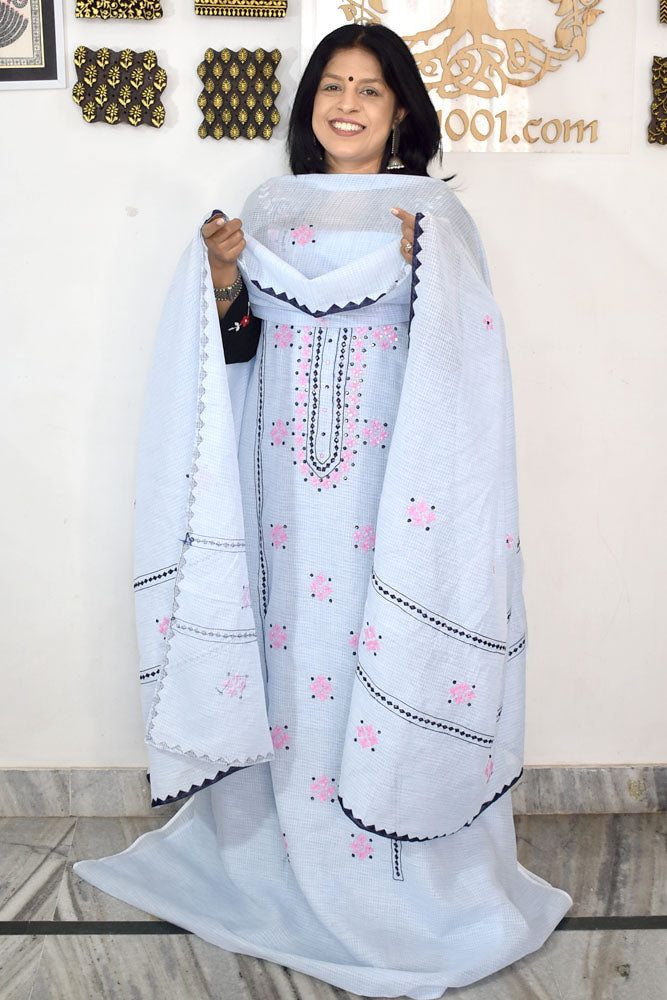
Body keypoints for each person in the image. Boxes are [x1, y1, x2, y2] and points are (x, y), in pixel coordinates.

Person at [74, 23, 572, 999]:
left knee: (370, 643)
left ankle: (395, 874)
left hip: (395, 488)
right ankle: (275, 847)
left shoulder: (432, 216)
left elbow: (465, 363)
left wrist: (428, 272)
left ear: (401, 111)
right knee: (290, 644)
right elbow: (239, 348)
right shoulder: (270, 210)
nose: (347, 104)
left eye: (370, 89)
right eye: (333, 85)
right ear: (311, 104)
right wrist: (225, 281)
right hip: (280, 494)